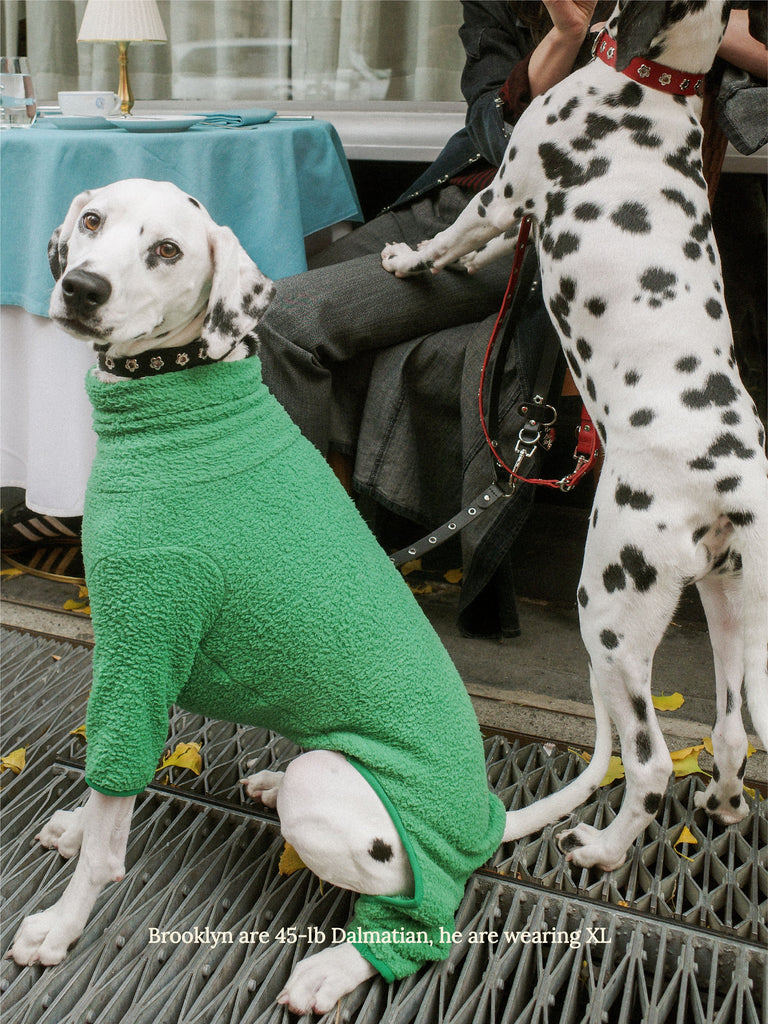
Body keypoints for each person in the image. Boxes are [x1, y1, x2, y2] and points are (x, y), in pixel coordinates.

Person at [257, 0, 767, 639]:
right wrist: (566, 32)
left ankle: (289, 579)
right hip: (451, 200)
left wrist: (707, 30)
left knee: (284, 322)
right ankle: (324, 557)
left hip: (551, 225)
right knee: (255, 312)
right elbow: (491, 122)